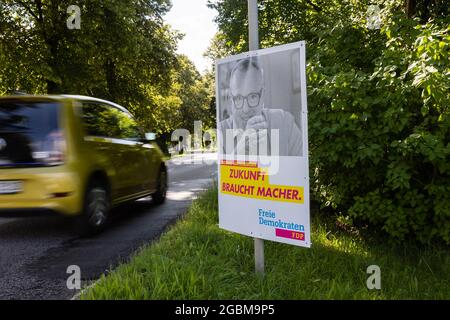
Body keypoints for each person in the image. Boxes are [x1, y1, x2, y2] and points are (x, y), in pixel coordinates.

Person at [219, 57, 302, 157]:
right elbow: (219, 172)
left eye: (253, 97)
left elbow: (300, 167)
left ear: (262, 95)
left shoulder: (285, 122)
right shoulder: (221, 132)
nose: (245, 109)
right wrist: (239, 151)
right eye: (239, 98)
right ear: (231, 99)